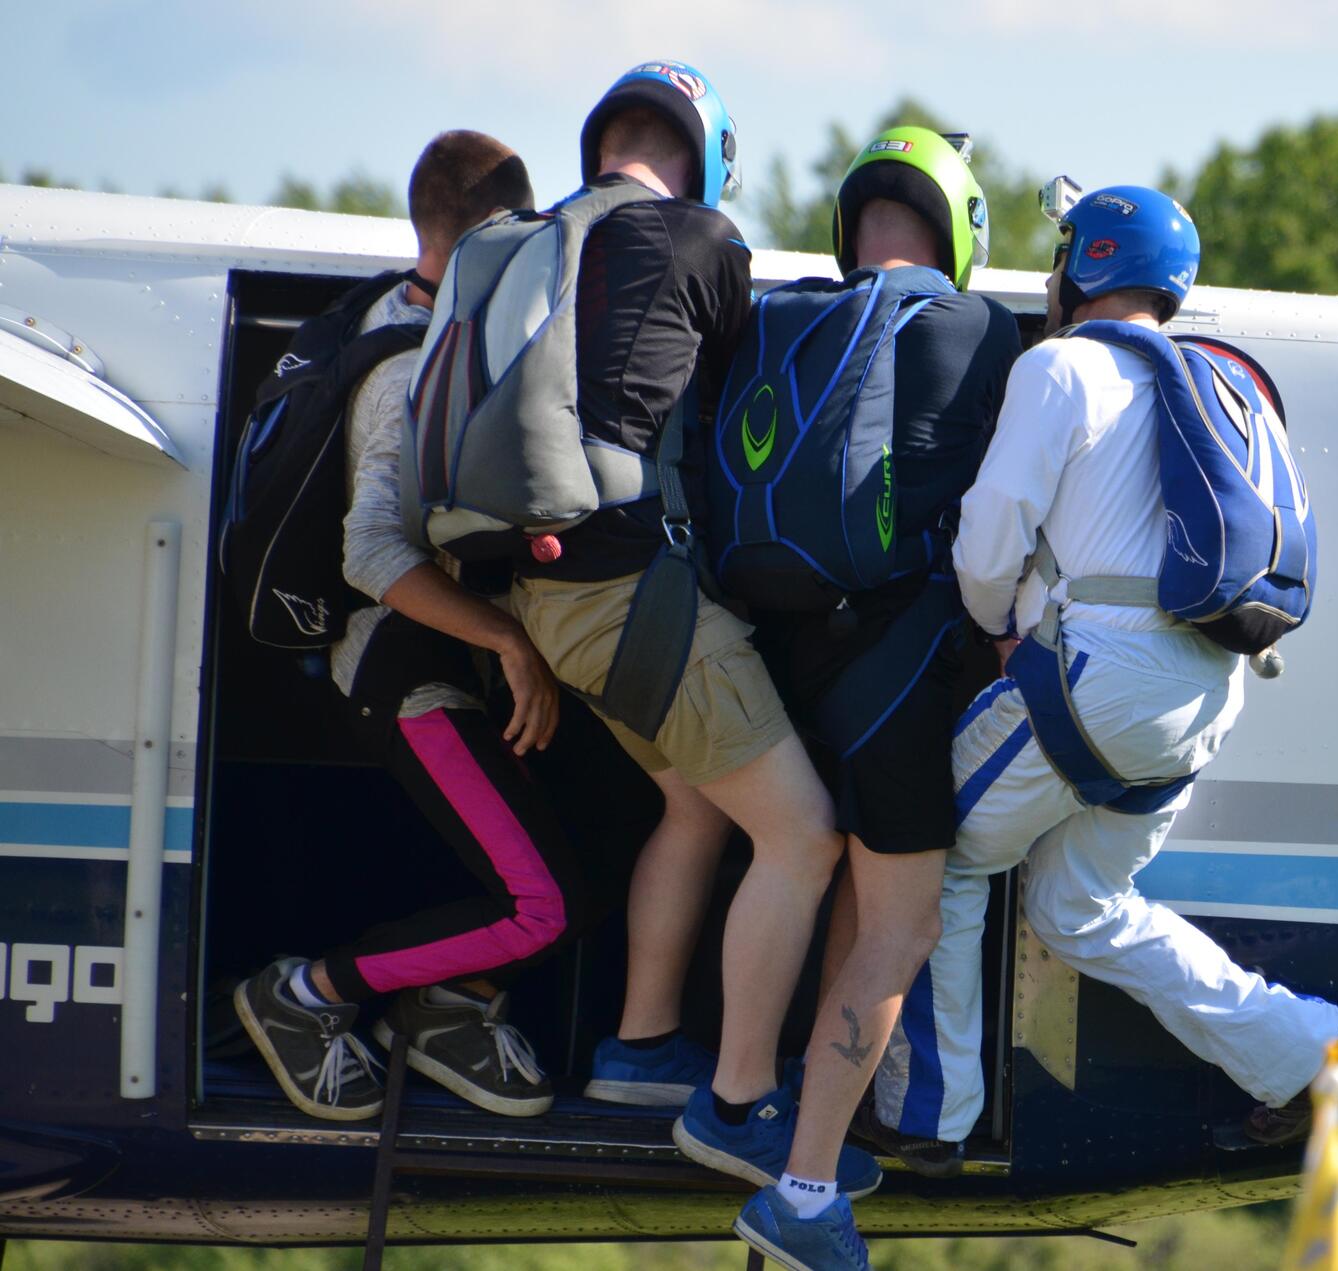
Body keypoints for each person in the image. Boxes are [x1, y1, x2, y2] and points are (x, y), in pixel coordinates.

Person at [867, 185, 1338, 1176]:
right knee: (1076, 905)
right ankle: (1307, 1057)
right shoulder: (1221, 385)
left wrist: (992, 627)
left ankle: (929, 1111)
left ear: (1086, 263)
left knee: (937, 855)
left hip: (1091, 684)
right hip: (1202, 695)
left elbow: (991, 535)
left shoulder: (1060, 366)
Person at [500, 61, 869, 1194]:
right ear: (704, 159)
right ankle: (738, 1104)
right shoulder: (701, 241)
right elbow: (741, 401)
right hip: (633, 598)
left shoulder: (520, 243)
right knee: (804, 837)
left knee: (693, 799)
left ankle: (644, 1047)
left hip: (536, 592)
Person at [234, 131, 593, 1121]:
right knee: (542, 906)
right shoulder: (403, 369)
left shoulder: (426, 324)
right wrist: (510, 642)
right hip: (404, 677)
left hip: (434, 666)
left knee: (559, 871)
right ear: (489, 234)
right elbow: (374, 555)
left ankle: (451, 1008)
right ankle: (303, 996)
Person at [712, 129, 1021, 1267]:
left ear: (855, 225)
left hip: (783, 655)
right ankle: (800, 1193)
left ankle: (786, 1113)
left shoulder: (784, 313)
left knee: (821, 863)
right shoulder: (981, 327)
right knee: (904, 925)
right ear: (963, 227)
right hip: (904, 664)